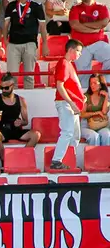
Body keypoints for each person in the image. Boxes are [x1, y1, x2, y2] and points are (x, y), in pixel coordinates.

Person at [0, 73, 40, 164]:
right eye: (1, 88)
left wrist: (21, 122)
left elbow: (26, 121)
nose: (3, 90)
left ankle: (21, 158)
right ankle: (5, 161)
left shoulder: (21, 100)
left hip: (16, 130)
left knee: (36, 135)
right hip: (2, 130)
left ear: (12, 86)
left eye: (6, 88)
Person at [3, 0, 47, 90]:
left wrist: (45, 44)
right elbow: (5, 25)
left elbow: (42, 26)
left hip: (30, 44)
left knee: (29, 77)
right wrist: (5, 40)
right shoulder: (11, 5)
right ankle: (13, 103)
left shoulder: (36, 5)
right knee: (11, 78)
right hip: (13, 44)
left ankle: (27, 102)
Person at [51, 38, 85, 170]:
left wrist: (79, 99)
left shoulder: (69, 64)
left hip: (70, 104)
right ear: (71, 50)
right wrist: (71, 103)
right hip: (66, 104)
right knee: (68, 132)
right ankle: (56, 161)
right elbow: (60, 86)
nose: (80, 54)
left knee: (75, 134)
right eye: (78, 51)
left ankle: (68, 159)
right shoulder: (64, 63)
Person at [70, 0, 110, 87]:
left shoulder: (101, 7)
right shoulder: (75, 8)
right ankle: (85, 99)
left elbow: (104, 22)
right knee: (83, 76)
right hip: (81, 46)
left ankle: (102, 82)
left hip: (97, 44)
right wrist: (93, 30)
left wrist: (84, 24)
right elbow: (75, 25)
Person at [80, 74, 110, 145]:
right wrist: (96, 113)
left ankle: (106, 156)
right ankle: (94, 156)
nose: (92, 85)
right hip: (87, 125)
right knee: (94, 136)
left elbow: (104, 111)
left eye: (95, 83)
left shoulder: (104, 97)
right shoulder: (86, 96)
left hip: (101, 125)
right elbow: (82, 114)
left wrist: (106, 96)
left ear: (100, 85)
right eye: (91, 83)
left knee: (107, 134)